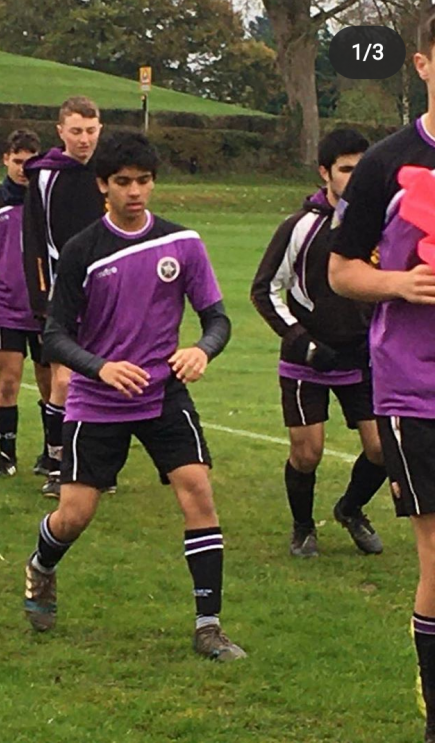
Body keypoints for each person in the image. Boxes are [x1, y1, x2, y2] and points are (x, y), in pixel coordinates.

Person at [22, 130, 245, 661]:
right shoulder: (82, 251)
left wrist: (202, 351)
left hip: (162, 394)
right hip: (98, 402)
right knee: (75, 514)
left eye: (143, 181)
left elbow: (217, 318)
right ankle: (42, 565)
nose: (135, 191)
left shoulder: (182, 243)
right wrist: (100, 368)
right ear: (104, 186)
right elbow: (54, 336)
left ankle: (209, 626)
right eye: (123, 182)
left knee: (198, 492)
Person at [328, 10, 435, 741]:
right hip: (416, 385)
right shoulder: (385, 164)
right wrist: (399, 285)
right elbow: (340, 271)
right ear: (423, 64)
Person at [251, 128, 387, 558]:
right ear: (324, 172)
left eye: (362, 169)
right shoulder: (300, 226)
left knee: (384, 449)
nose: (355, 177)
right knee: (307, 453)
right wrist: (301, 342)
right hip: (308, 360)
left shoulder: (381, 225)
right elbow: (264, 290)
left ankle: (350, 509)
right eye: (346, 169)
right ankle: (304, 527)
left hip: (362, 358)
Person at [22, 96, 107, 495]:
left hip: (108, 291)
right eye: (76, 131)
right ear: (60, 132)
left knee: (107, 377)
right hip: (62, 292)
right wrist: (41, 298)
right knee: (65, 380)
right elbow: (33, 241)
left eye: (91, 131)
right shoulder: (44, 176)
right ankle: (59, 464)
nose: (84, 139)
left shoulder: (111, 173)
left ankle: (98, 465)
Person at [0, 129, 52, 477]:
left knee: (52, 385)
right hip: (7, 308)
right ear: (5, 159)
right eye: (18, 161)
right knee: (7, 382)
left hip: (46, 309)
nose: (23, 169)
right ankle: (6, 455)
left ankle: (53, 453)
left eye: (30, 163)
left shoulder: (48, 200)